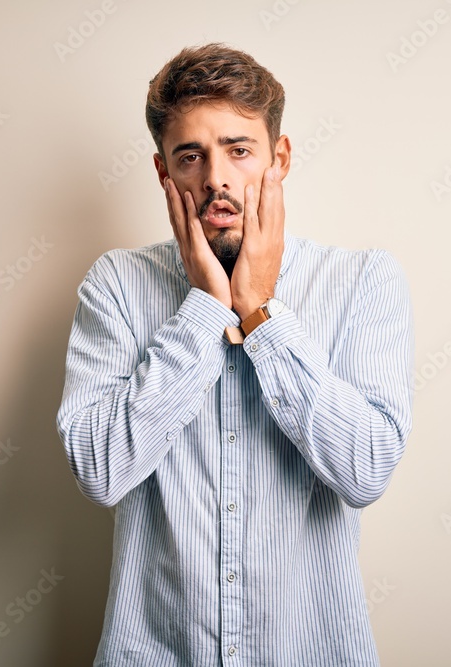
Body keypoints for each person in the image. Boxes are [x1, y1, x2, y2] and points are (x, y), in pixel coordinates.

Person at [57, 42, 414, 666]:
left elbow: (365, 471)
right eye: (191, 156)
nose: (216, 179)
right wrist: (203, 310)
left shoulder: (362, 282)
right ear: (164, 173)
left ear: (280, 159)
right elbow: (100, 471)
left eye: (238, 150)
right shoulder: (116, 285)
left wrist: (260, 313)